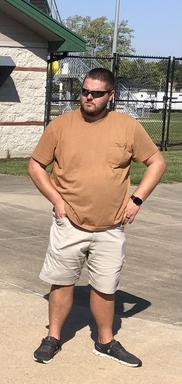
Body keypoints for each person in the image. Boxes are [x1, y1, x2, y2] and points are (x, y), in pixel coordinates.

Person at [28, 67, 166, 367]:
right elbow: (36, 165)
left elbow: (157, 162)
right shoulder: (61, 125)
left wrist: (137, 199)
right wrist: (56, 200)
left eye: (96, 93)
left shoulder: (127, 127)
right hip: (70, 223)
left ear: (111, 95)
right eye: (85, 91)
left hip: (111, 227)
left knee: (105, 287)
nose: (88, 97)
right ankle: (53, 337)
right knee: (62, 283)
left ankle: (105, 341)